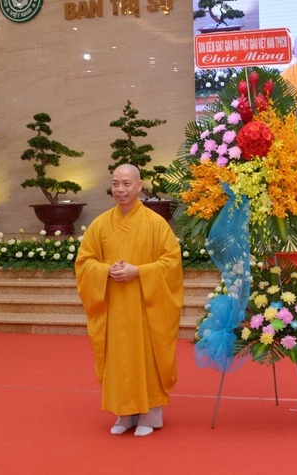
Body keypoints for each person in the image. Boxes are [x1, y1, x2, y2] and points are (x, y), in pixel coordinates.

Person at [75, 163, 184, 437]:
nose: (120, 189)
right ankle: (124, 413)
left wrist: (140, 271)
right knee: (119, 357)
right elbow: (84, 261)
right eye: (115, 184)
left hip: (146, 306)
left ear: (139, 186)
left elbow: (171, 262)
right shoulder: (100, 224)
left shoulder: (156, 224)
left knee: (146, 356)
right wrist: (105, 271)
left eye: (126, 183)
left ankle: (150, 415)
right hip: (114, 306)